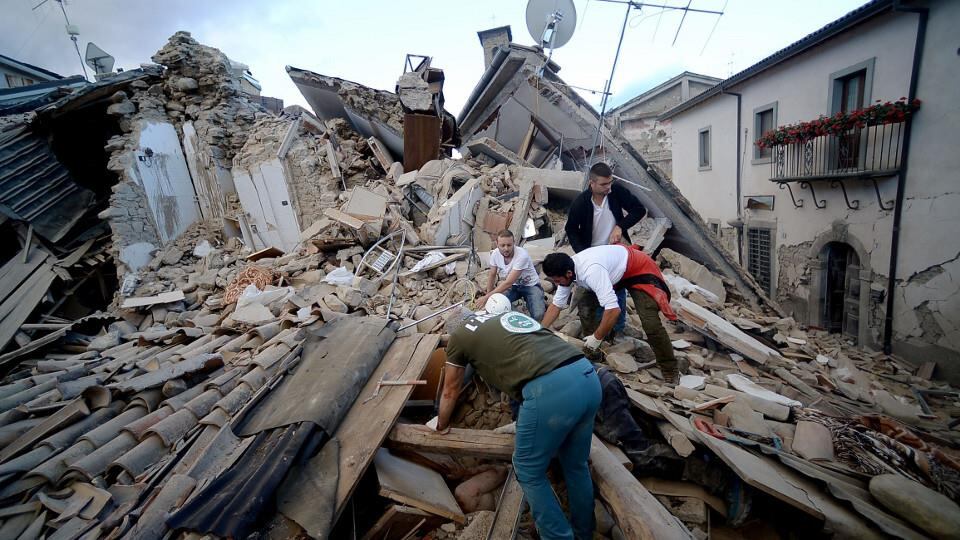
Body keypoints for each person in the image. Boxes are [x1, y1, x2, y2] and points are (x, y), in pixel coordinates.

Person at [435, 308, 601, 540]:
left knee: (527, 469)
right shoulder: (502, 317)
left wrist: (441, 426)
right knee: (576, 465)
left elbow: (450, 390)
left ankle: (558, 537)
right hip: (587, 376)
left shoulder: (459, 335)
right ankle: (584, 533)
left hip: (550, 390)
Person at [540, 244, 680, 384]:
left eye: (558, 281)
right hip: (613, 272)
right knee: (587, 307)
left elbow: (613, 310)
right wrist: (540, 331)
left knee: (651, 324)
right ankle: (593, 353)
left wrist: (596, 337)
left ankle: (670, 369)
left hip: (638, 268)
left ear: (569, 273)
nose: (557, 285)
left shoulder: (591, 272)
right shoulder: (567, 270)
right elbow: (556, 305)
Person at [563, 162, 646, 338]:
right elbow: (571, 229)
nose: (608, 187)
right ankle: (597, 330)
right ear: (591, 183)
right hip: (591, 253)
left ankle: (617, 330)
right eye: (603, 184)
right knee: (592, 292)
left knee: (618, 289)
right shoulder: (581, 202)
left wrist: (620, 226)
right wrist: (582, 253)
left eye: (610, 183)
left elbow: (639, 210)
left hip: (614, 252)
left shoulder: (616, 193)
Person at [477, 229, 546, 321]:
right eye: (502, 245)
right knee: (497, 307)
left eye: (509, 245)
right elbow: (492, 274)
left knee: (538, 315)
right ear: (497, 244)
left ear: (514, 243)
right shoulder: (495, 254)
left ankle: (537, 302)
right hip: (514, 287)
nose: (506, 248)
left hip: (531, 285)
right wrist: (489, 296)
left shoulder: (522, 256)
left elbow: (508, 282)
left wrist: (486, 297)